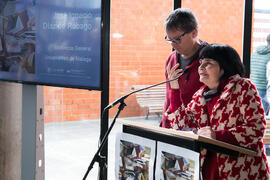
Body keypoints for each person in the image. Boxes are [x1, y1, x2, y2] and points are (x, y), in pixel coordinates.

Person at [165, 44, 270, 179]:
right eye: (201, 63)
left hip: (241, 170)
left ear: (224, 67)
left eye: (208, 63)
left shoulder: (243, 87)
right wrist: (174, 88)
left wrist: (217, 136)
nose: (201, 67)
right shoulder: (200, 94)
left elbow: (256, 128)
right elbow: (180, 124)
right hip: (207, 169)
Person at [160, 8, 208, 128]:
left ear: (194, 33)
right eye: (169, 40)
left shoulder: (211, 59)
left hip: (198, 131)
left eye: (177, 39)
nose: (173, 44)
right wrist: (164, 126)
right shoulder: (171, 59)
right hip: (170, 127)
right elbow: (168, 98)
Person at [250, 34, 270, 114]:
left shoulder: (255, 53)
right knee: (263, 115)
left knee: (258, 112)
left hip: (254, 85)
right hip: (265, 88)